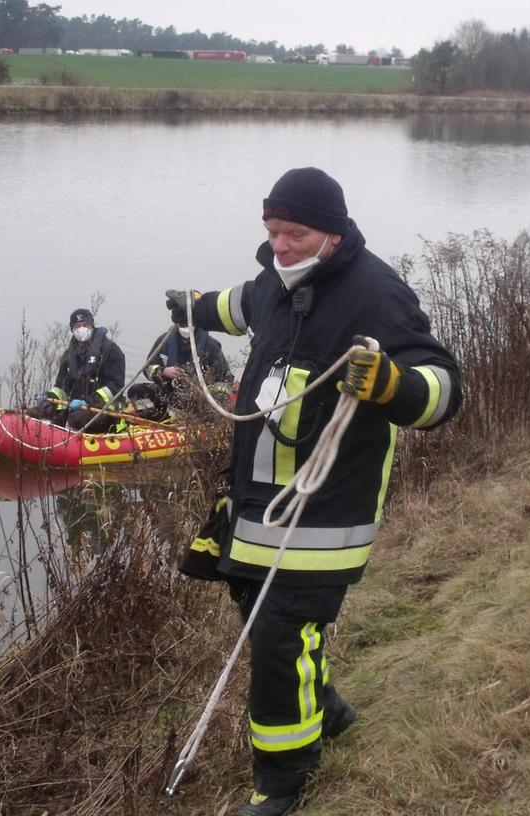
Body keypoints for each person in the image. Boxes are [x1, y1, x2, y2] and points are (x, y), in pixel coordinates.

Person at [164, 167, 462, 815]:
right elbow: (240, 305)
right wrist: (194, 305)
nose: (280, 245)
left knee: (277, 636)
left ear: (331, 232)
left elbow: (444, 388)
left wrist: (392, 385)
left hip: (326, 514)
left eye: (293, 233)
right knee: (258, 610)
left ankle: (281, 781)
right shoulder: (276, 278)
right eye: (272, 231)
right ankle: (324, 707)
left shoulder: (376, 293)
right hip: (255, 504)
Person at [27, 308, 125, 431]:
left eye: (85, 325)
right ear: (72, 330)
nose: (81, 329)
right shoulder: (70, 354)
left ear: (92, 325)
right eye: (77, 326)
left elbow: (115, 387)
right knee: (37, 412)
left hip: (103, 409)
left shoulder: (110, 351)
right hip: (75, 406)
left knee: (75, 418)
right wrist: (49, 398)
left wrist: (87, 402)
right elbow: (61, 387)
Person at [133, 325, 233, 416]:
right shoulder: (164, 341)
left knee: (178, 399)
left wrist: (206, 394)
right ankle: (152, 416)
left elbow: (225, 379)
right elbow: (148, 368)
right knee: (135, 391)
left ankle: (182, 421)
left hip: (196, 398)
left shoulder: (211, 347)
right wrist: (162, 372)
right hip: (166, 390)